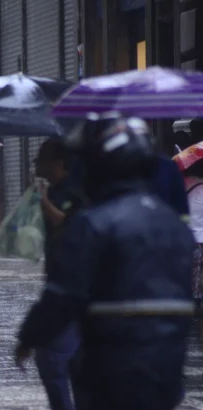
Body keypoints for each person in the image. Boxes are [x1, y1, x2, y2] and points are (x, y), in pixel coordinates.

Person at [15, 115, 195, 410]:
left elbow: (63, 293)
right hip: (166, 371)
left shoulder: (94, 223)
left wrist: (30, 337)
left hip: (109, 370)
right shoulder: (173, 225)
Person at [31, 139, 87, 410]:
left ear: (57, 163)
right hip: (59, 281)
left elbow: (72, 225)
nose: (35, 164)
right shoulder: (52, 190)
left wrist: (44, 204)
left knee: (53, 359)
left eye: (39, 158)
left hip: (73, 286)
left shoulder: (76, 191)